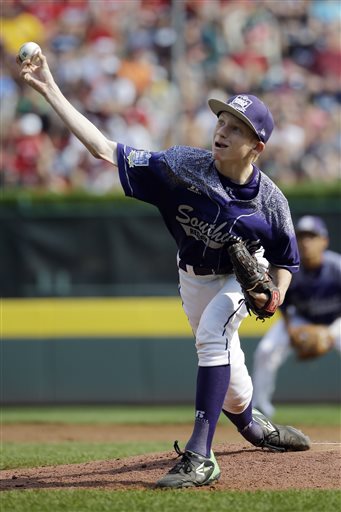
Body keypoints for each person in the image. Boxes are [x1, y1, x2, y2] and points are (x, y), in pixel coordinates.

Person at [17, 50, 310, 489]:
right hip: (192, 276)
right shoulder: (179, 168)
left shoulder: (270, 201)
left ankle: (200, 455)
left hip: (240, 277)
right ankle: (253, 427)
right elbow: (102, 148)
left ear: (258, 147)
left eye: (236, 128)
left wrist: (277, 291)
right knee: (230, 378)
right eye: (222, 122)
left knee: (213, 334)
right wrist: (50, 88)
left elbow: (287, 260)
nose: (222, 131)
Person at [253, 215, 341, 418]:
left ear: (324, 241)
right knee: (266, 351)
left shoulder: (337, 267)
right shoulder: (291, 270)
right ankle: (260, 407)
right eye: (301, 237)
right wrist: (290, 329)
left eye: (312, 236)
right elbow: (283, 306)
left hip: (336, 320)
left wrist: (329, 333)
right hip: (301, 319)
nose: (306, 242)